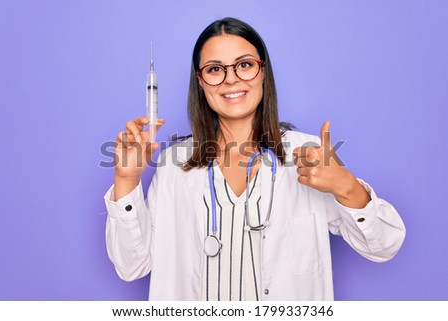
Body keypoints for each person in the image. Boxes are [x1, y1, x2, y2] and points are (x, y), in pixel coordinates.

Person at [104, 17, 405, 301]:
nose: (231, 79)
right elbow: (132, 266)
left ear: (263, 71)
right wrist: (126, 180)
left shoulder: (308, 155)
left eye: (244, 65)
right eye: (214, 69)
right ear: (200, 81)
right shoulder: (174, 166)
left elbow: (383, 246)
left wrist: (346, 186)